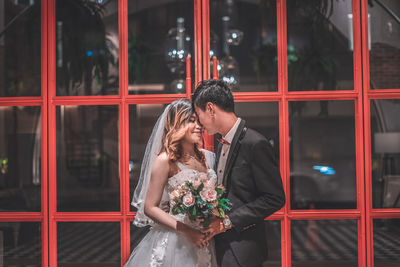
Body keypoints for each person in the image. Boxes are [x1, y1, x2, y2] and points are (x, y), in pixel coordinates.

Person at [192, 79, 286, 267]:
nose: (199, 123)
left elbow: (275, 198)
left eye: (198, 114)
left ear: (210, 109)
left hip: (243, 248)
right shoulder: (221, 144)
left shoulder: (255, 143)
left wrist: (227, 222)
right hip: (220, 244)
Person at [124, 99, 218, 267]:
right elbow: (150, 207)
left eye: (199, 121)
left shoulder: (208, 156)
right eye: (191, 121)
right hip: (177, 240)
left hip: (204, 238)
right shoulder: (165, 160)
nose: (199, 126)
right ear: (176, 124)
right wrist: (188, 231)